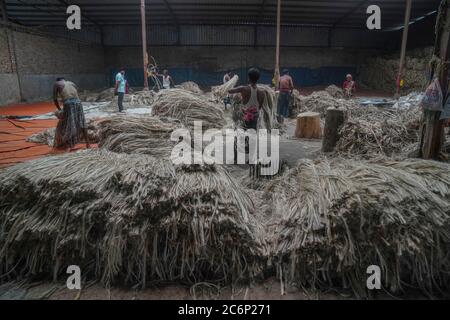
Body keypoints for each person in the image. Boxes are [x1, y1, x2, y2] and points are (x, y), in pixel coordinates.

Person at [53, 77, 90, 151]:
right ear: (64, 80)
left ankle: (69, 145)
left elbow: (54, 98)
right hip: (78, 102)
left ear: (58, 80)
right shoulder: (71, 82)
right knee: (82, 122)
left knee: (69, 124)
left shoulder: (56, 83)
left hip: (68, 103)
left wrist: (60, 109)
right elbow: (76, 92)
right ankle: (88, 143)